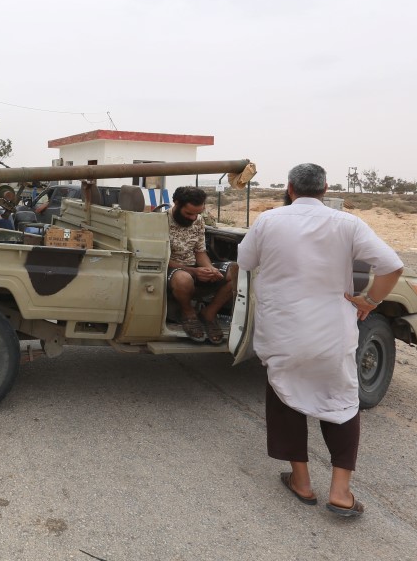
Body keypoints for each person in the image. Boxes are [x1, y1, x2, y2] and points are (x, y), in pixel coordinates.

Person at [237, 163, 403, 519]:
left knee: (284, 394)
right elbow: (392, 266)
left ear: (290, 188)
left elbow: (245, 260)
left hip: (282, 328)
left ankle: (301, 481)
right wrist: (369, 301)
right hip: (332, 330)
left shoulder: (268, 220)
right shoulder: (347, 224)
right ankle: (340, 492)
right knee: (340, 399)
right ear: (325, 189)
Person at [166, 186, 238, 345]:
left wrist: (210, 269)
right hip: (169, 270)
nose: (193, 218)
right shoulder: (160, 221)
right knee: (183, 279)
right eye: (189, 213)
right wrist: (194, 271)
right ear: (176, 203)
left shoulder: (198, 220)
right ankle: (188, 313)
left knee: (236, 271)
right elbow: (160, 258)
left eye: (197, 213)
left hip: (194, 267)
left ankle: (209, 314)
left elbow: (200, 252)